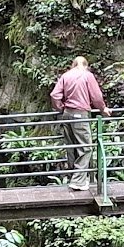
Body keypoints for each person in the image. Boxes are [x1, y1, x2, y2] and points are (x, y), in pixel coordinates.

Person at [49, 55, 109, 189]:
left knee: (71, 147)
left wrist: (60, 108)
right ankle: (78, 181)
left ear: (73, 65)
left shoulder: (65, 76)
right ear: (86, 65)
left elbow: (54, 95)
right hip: (80, 114)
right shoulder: (87, 76)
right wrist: (102, 108)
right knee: (85, 147)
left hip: (67, 114)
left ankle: (73, 177)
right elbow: (96, 96)